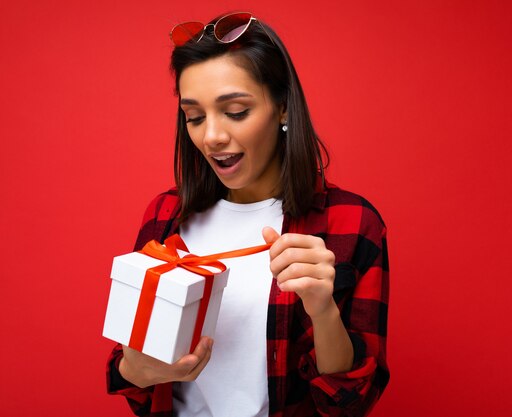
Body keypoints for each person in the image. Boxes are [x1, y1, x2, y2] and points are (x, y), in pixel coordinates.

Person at [106, 11, 389, 417]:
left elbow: (351, 401)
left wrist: (322, 309)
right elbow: (130, 376)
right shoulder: (165, 216)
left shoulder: (352, 222)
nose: (212, 136)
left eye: (236, 111)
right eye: (195, 117)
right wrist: (136, 369)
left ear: (283, 108)